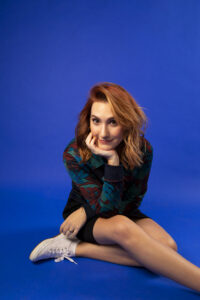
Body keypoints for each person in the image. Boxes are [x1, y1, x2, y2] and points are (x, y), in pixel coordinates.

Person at [29, 82, 200, 292]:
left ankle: (77, 248)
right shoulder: (74, 152)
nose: (103, 132)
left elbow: (133, 199)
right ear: (88, 120)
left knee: (168, 247)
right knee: (122, 226)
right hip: (85, 220)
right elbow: (108, 211)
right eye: (96, 121)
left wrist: (114, 159)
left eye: (113, 122)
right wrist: (110, 166)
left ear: (126, 122)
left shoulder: (143, 150)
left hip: (118, 209)